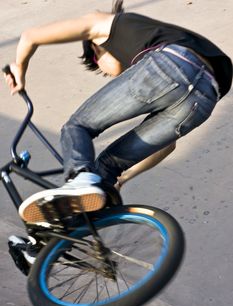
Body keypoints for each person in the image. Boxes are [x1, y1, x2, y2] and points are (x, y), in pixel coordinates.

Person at [4, 0, 232, 225]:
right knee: (108, 167)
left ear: (96, 48)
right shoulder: (149, 36)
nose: (112, 75)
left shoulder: (103, 24)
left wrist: (19, 69)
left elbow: (30, 35)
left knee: (78, 126)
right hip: (205, 98)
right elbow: (166, 144)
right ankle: (65, 237)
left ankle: (79, 179)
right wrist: (122, 179)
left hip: (169, 64)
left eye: (99, 68)